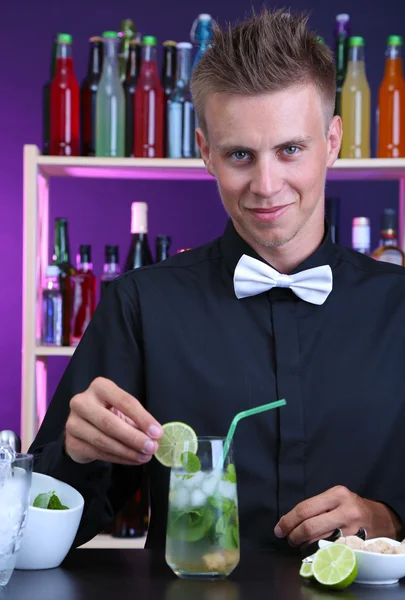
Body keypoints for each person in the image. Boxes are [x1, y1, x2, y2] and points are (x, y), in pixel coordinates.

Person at [30, 8, 405, 553]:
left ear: (333, 139)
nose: (267, 184)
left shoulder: (398, 308)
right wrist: (74, 450)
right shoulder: (141, 305)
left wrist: (390, 517)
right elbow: (47, 534)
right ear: (206, 152)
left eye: (291, 149)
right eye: (239, 156)